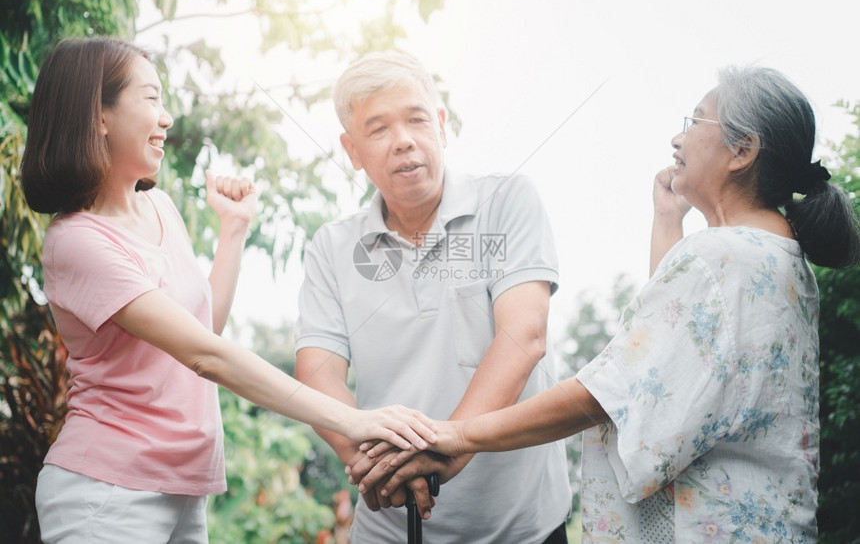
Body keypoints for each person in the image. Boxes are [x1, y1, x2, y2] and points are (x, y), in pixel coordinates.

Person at [399, 66, 860, 542]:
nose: (677, 139)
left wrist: (456, 436)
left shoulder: (720, 258)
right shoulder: (777, 258)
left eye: (695, 121)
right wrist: (668, 218)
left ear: (741, 151)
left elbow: (610, 392)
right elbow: (670, 363)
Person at [20, 37, 438, 544]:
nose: (166, 117)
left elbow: (199, 331)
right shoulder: (78, 242)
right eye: (151, 98)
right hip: (107, 492)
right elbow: (205, 355)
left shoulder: (160, 209)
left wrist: (233, 230)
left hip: (180, 485)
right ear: (99, 115)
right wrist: (355, 421)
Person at [294, 51, 571, 543]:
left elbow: (524, 336)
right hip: (386, 529)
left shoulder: (507, 201)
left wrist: (447, 451)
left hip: (519, 527)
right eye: (378, 129)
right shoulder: (332, 246)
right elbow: (317, 374)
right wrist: (372, 465)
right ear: (351, 150)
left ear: (440, 125)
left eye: (417, 119)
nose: (403, 140)